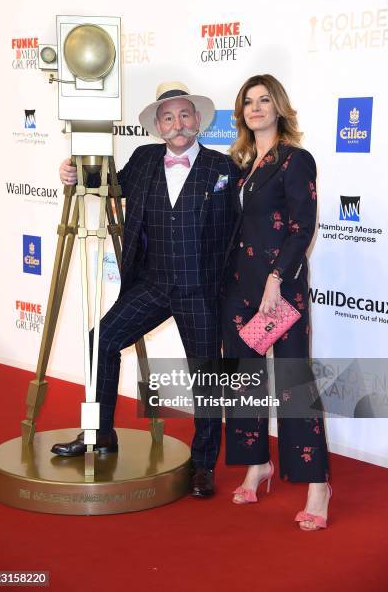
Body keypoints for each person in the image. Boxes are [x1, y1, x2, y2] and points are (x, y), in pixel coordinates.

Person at [51, 82, 240, 498]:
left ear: (199, 121)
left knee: (206, 376)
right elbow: (111, 183)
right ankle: (99, 434)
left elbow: (239, 231)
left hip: (200, 290)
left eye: (185, 115)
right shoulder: (143, 158)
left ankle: (204, 465)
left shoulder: (223, 168)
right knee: (101, 340)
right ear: (157, 126)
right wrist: (76, 172)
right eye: (168, 117)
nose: (178, 124)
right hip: (152, 284)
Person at [221, 74, 331, 530]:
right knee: (244, 379)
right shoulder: (242, 164)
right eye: (249, 101)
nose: (256, 107)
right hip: (239, 286)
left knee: (292, 383)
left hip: (279, 287)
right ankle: (256, 465)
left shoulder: (296, 160)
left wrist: (275, 277)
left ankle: (318, 485)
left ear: (279, 106)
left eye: (265, 100)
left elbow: (301, 228)